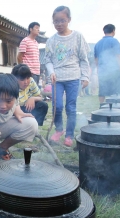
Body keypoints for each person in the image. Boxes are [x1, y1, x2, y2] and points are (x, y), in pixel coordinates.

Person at [44, 6, 89, 147]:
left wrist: (85, 76)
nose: (59, 24)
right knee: (57, 106)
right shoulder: (51, 40)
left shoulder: (78, 36)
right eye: (56, 21)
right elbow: (47, 60)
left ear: (69, 19)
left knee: (71, 107)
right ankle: (59, 130)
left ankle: (69, 135)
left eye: (62, 20)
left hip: (73, 77)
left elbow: (83, 58)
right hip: (57, 78)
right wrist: (51, 71)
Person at [0, 73, 38, 165]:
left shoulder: (12, 94)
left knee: (31, 123)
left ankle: (0, 149)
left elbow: (16, 104)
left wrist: (18, 112)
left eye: (8, 101)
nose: (3, 106)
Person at [94, 24, 120, 103]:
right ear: (113, 31)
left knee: (102, 90)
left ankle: (102, 107)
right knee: (114, 90)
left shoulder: (98, 43)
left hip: (102, 71)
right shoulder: (114, 41)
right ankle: (113, 108)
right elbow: (118, 56)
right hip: (113, 70)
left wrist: (98, 70)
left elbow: (96, 59)